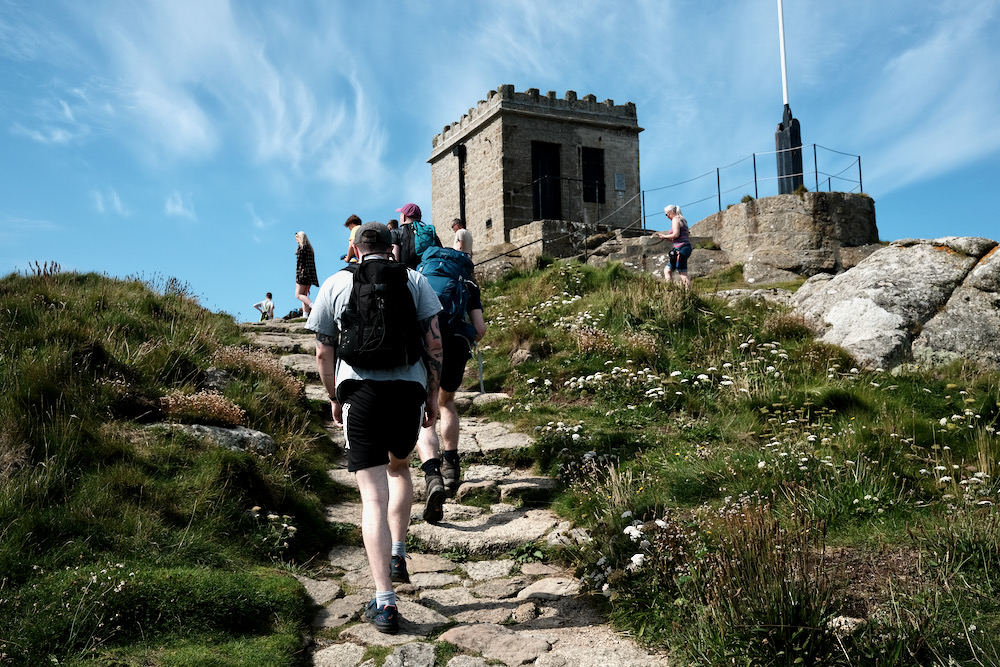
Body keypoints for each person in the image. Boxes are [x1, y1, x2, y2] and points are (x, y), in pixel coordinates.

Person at [306, 222, 443, 635]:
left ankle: (385, 604)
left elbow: (321, 350)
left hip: (359, 393)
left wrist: (334, 397)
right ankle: (398, 552)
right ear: (393, 248)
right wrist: (432, 396)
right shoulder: (416, 280)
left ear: (355, 248)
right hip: (407, 392)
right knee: (399, 468)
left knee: (371, 497)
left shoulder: (335, 283)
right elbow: (435, 343)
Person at [415, 259, 486, 523]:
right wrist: (465, 337)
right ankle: (451, 465)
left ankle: (432, 474)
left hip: (426, 344)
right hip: (456, 344)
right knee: (446, 403)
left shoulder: (420, 277)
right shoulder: (468, 283)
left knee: (426, 409)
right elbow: (480, 329)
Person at [655, 205, 692, 288]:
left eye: (666, 214)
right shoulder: (683, 219)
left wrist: (664, 236)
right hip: (684, 248)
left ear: (671, 212)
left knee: (683, 273)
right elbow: (677, 238)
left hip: (681, 249)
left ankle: (689, 292)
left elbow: (675, 235)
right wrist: (665, 238)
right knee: (667, 270)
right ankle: (670, 289)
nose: (667, 217)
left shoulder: (675, 219)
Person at [295, 231, 320, 315]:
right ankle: (305, 315)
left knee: (298, 295)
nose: (296, 240)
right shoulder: (310, 248)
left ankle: (314, 306)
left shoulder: (301, 248)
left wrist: (298, 277)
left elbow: (300, 265)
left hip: (302, 274)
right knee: (304, 295)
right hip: (310, 275)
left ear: (300, 238)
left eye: (297, 238)